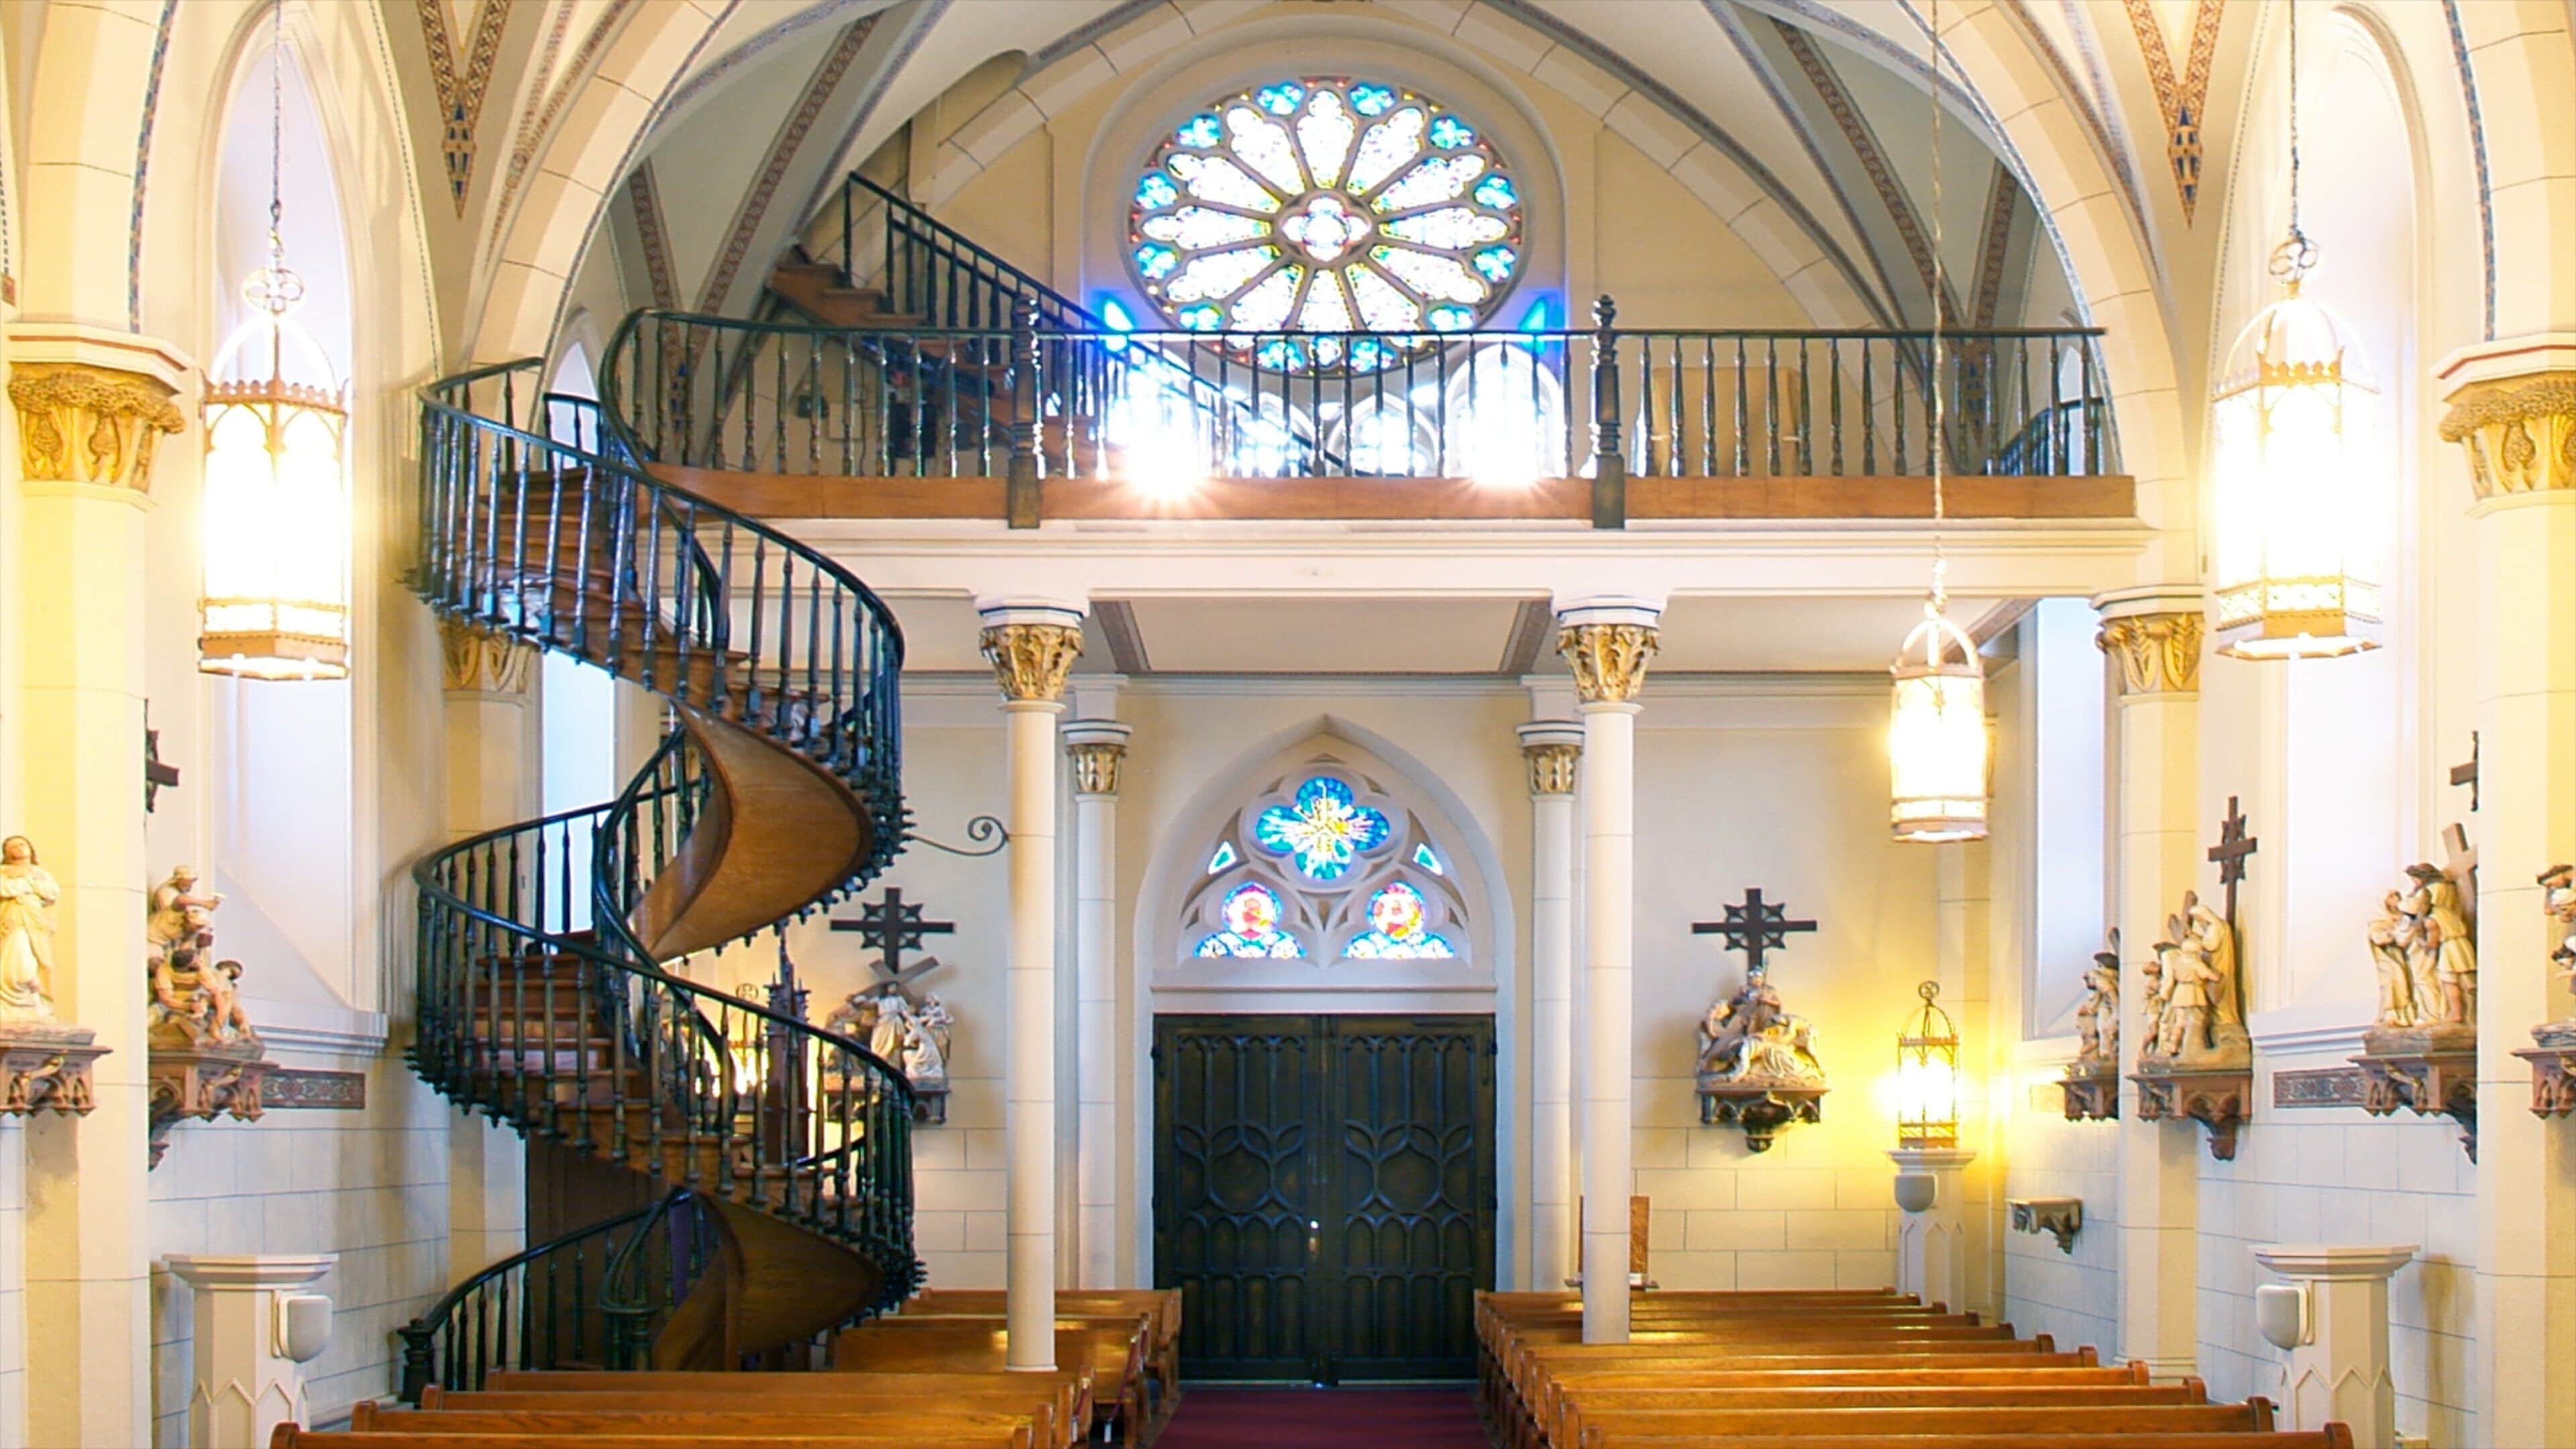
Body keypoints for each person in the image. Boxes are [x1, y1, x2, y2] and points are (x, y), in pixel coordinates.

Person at [0, 836, 60, 1021]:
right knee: (16, 961)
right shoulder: (4, 873)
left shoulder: (40, 874)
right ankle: (11, 1002)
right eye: (12, 847)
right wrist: (29, 885)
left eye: (22, 844)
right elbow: (5, 889)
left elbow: (51, 892)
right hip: (13, 923)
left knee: (44, 963)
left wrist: (26, 885)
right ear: (6, 853)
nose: (18, 848)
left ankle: (40, 1002)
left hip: (36, 923)